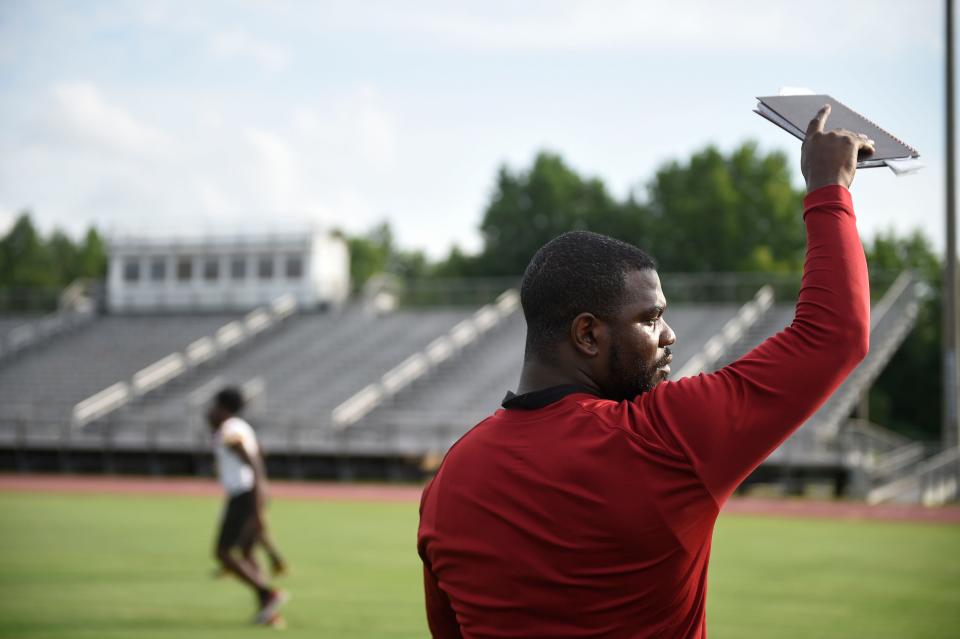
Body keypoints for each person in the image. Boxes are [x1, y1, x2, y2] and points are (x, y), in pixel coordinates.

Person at [417, 105, 875, 638]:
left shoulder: (450, 479)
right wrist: (828, 189)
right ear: (587, 334)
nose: (669, 334)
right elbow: (835, 333)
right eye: (651, 318)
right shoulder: (663, 438)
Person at [207, 387, 289, 626]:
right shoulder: (240, 427)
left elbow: (252, 460)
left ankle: (267, 594)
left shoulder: (229, 429)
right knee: (247, 552)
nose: (211, 412)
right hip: (251, 492)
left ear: (223, 408)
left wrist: (256, 505)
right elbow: (259, 453)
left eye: (214, 407)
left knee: (222, 552)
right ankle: (269, 612)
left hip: (245, 494)